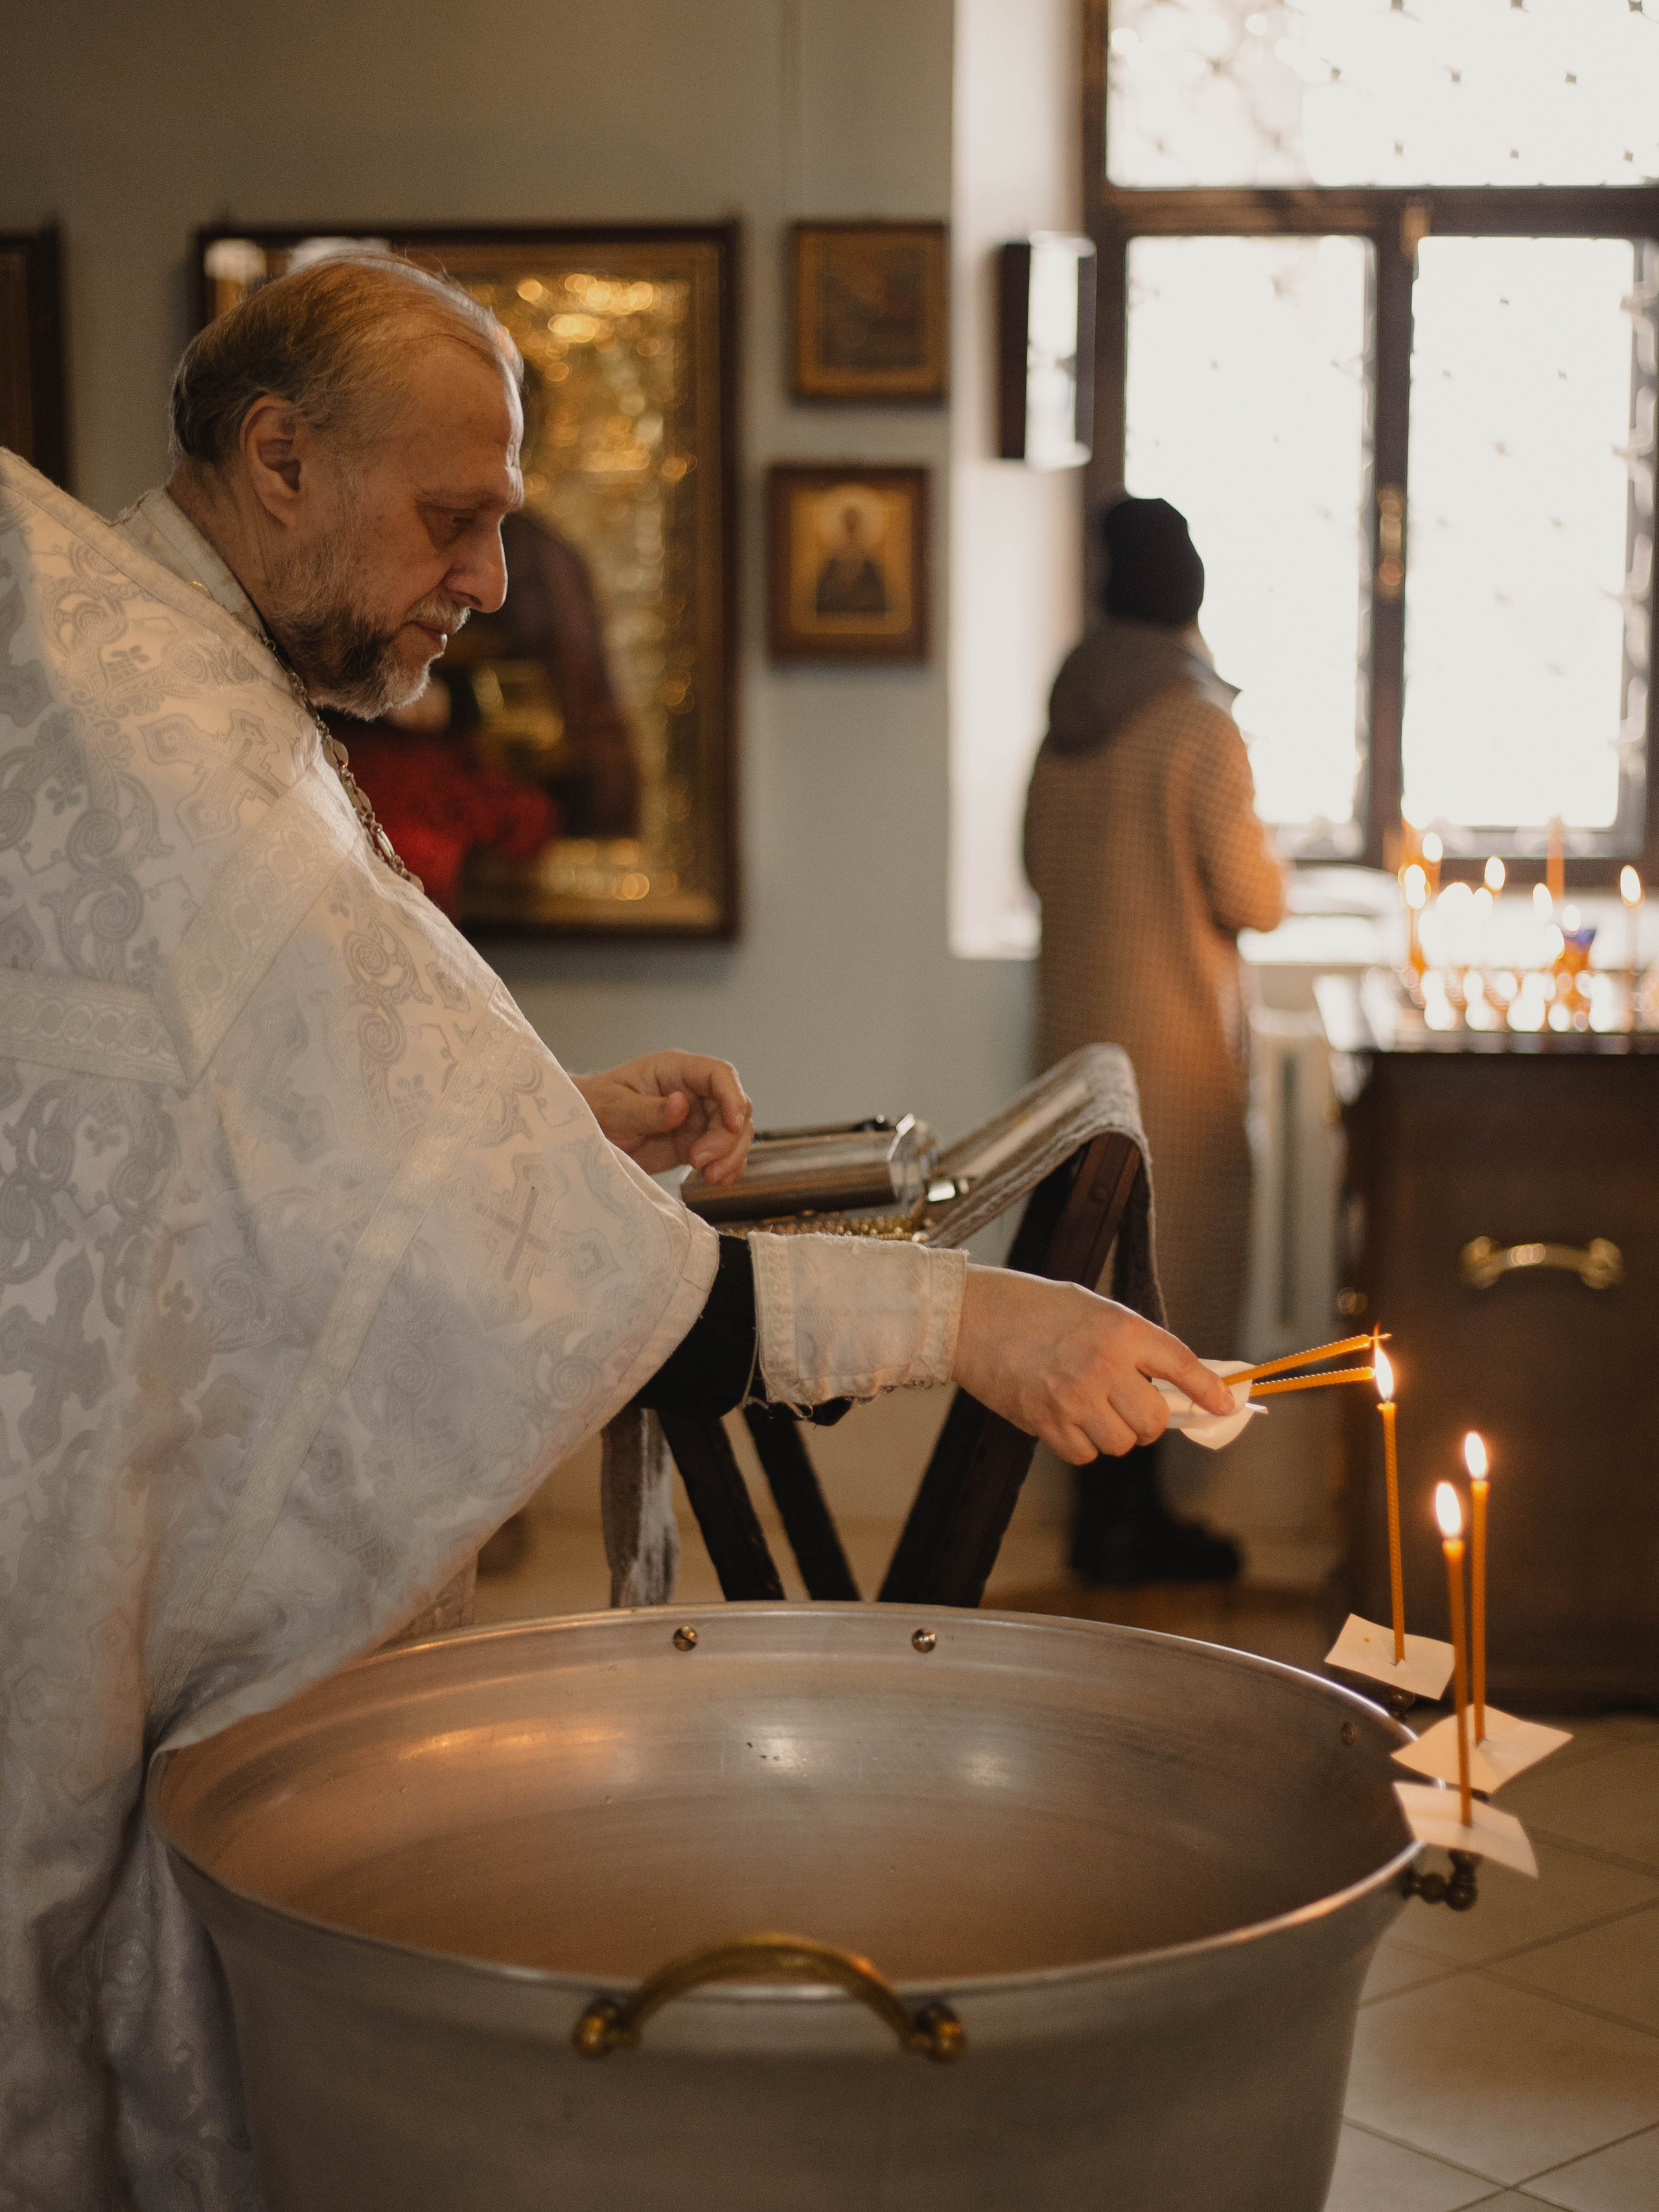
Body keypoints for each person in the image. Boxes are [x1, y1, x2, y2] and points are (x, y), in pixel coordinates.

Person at [0, 254, 1233, 2207]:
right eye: (456, 514)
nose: (493, 577)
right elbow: (547, 1279)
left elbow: (230, 1142)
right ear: (279, 457)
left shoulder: (180, 666)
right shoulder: (186, 741)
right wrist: (972, 1324)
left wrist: (543, 1120)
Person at [1023, 495, 1286, 1586]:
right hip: (1171, 1047)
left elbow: (1036, 866)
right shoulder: (1195, 721)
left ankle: (1103, 1520)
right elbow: (1252, 894)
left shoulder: (1071, 710)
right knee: (1164, 1279)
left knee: (1090, 1277)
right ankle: (1135, 1529)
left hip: (1076, 1048)